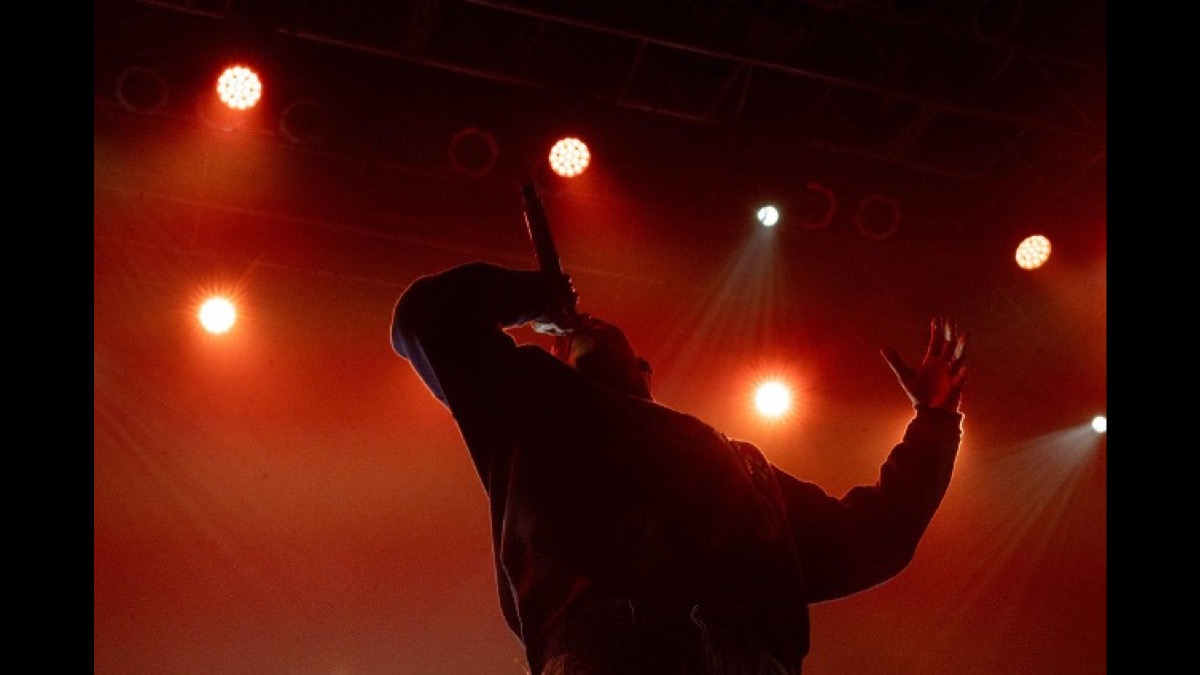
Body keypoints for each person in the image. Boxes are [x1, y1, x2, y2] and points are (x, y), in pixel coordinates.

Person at [390, 262, 966, 675]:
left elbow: (873, 537)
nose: (585, 327)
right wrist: (536, 298)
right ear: (557, 355)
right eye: (569, 337)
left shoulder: (740, 464)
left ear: (645, 370)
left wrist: (936, 422)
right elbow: (426, 318)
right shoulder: (536, 408)